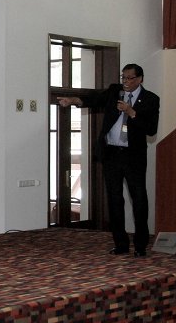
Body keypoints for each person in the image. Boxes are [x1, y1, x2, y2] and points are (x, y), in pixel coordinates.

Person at [58, 63, 160, 256]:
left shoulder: (151, 99)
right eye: (123, 77)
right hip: (112, 153)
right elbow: (95, 99)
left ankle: (140, 246)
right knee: (114, 200)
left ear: (140, 79)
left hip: (133, 156)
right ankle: (121, 244)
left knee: (139, 199)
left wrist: (131, 112)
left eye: (130, 78)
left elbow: (151, 129)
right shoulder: (115, 91)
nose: (126, 82)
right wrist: (74, 100)